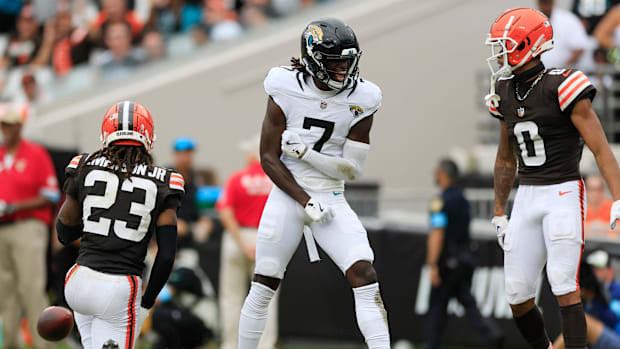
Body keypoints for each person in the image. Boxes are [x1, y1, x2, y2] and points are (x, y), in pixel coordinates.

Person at [238, 18, 391, 349]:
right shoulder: (284, 85)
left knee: (365, 275)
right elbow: (268, 157)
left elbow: (352, 171)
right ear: (313, 59)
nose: (343, 70)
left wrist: (307, 153)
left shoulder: (363, 97)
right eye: (335, 62)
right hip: (287, 194)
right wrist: (304, 199)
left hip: (331, 195)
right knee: (264, 282)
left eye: (348, 62)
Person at [485, 7, 620, 349]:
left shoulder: (563, 84)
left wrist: (618, 196)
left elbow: (602, 149)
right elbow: (505, 156)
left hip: (562, 192)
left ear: (528, 45)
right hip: (526, 195)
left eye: (504, 45)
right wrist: (500, 209)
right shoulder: (503, 88)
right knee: (516, 293)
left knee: (563, 282)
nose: (498, 53)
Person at [56, 101, 185, 349]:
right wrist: (147, 303)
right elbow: (167, 256)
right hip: (119, 289)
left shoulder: (83, 166)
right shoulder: (165, 181)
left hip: (78, 282)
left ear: (106, 135)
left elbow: (64, 233)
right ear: (148, 137)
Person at [424, 159, 501, 349]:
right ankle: (492, 334)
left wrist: (432, 264)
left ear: (442, 174)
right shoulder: (462, 198)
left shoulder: (441, 200)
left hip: (448, 263)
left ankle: (431, 346)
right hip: (465, 260)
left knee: (436, 308)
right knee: (466, 300)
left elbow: (437, 232)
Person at [0, 105, 59, 349]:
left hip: (28, 226)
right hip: (2, 230)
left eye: (11, 124)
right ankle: (10, 344)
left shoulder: (35, 153)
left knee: (31, 288)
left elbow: (51, 194)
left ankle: (42, 344)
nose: (7, 129)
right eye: (3, 124)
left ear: (20, 126)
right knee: (5, 291)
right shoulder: (1, 155)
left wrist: (12, 206)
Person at [216, 135, 276, 349]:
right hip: (268, 241)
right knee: (266, 301)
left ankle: (230, 344)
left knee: (231, 298)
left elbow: (225, 211)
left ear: (252, 154)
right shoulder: (277, 181)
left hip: (237, 237)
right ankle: (264, 345)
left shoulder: (236, 178)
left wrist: (241, 241)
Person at [538, 0, 588, 69]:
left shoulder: (568, 19)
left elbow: (579, 48)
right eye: (543, 2)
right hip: (540, 75)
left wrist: (563, 69)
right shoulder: (534, 20)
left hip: (564, 74)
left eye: (547, 2)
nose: (545, 6)